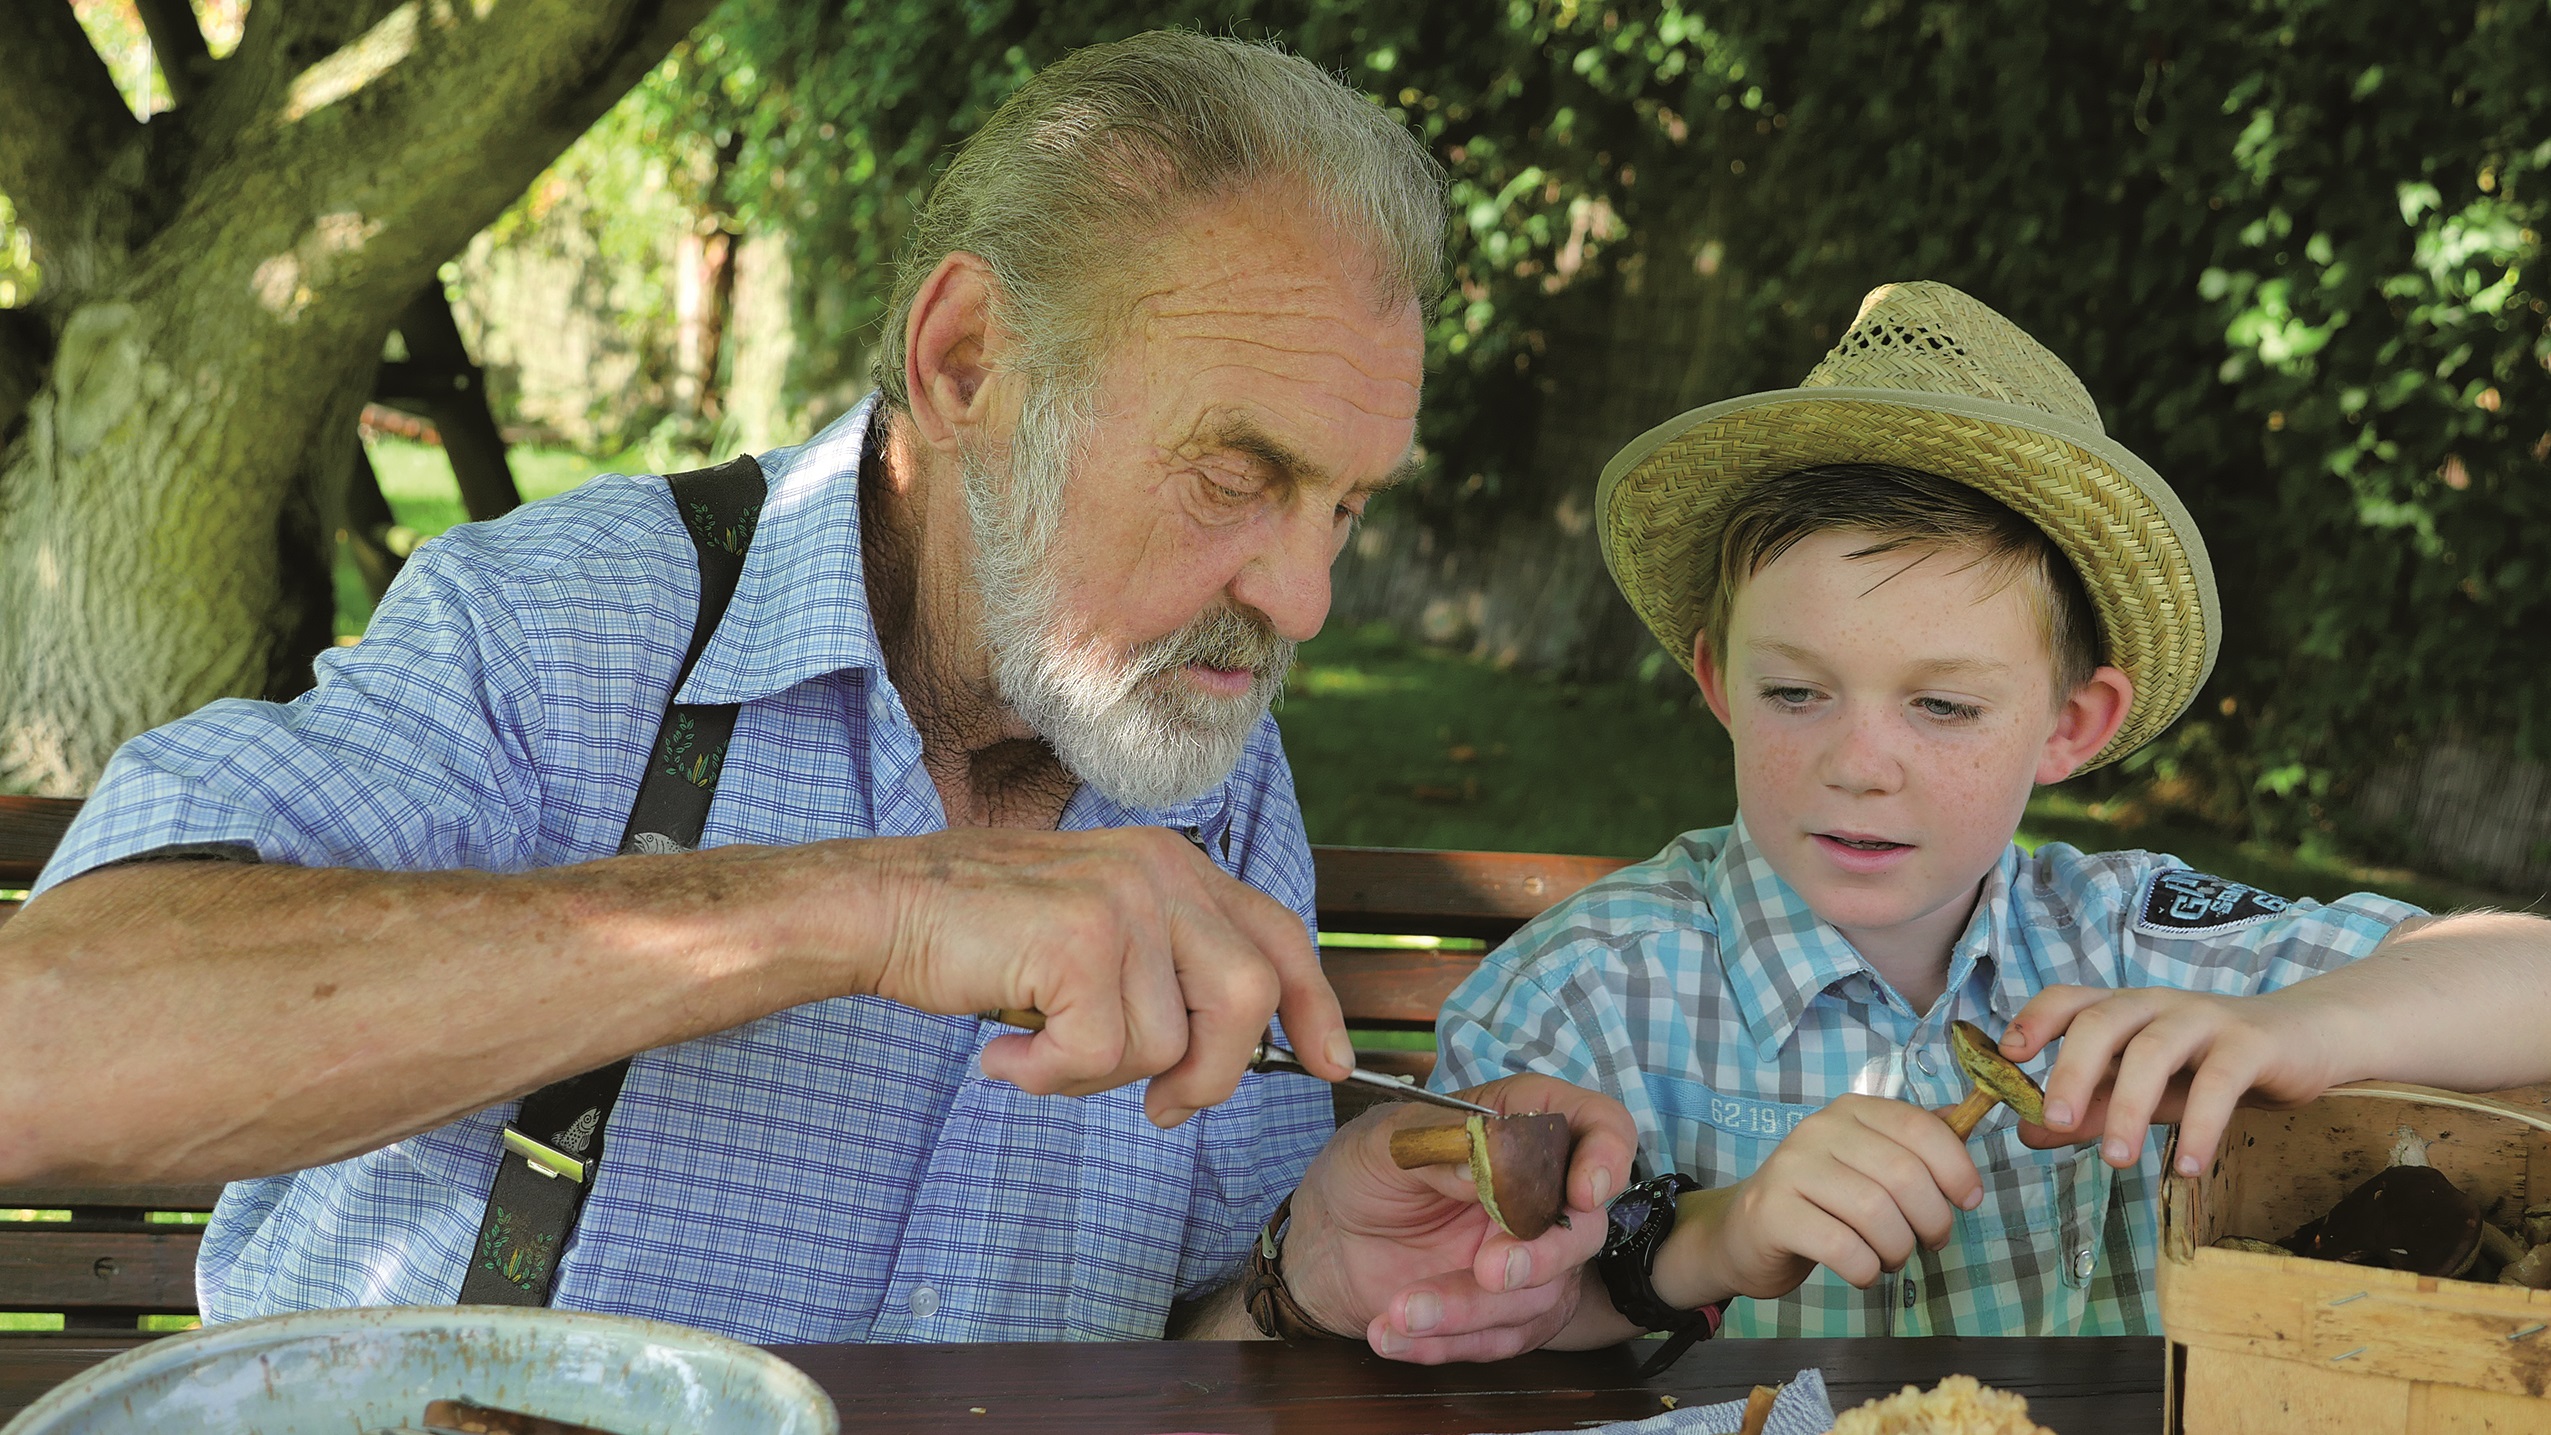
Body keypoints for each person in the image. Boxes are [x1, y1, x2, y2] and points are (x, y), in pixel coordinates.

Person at [0, 32, 1635, 1360]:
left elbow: (1171, 1345)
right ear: (968, 361)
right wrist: (874, 906)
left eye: (1342, 506)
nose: (1304, 599)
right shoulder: (574, 627)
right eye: (1234, 474)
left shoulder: (1214, 769)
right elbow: (45, 1048)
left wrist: (1297, 1280)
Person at [1427, 282, 2551, 1344]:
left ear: (2069, 724)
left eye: (1945, 706)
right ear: (1719, 681)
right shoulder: (1584, 996)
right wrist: (1709, 1238)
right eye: (1796, 692)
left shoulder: (2132, 943)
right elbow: (1444, 1307)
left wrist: (2299, 1029)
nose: (1860, 765)